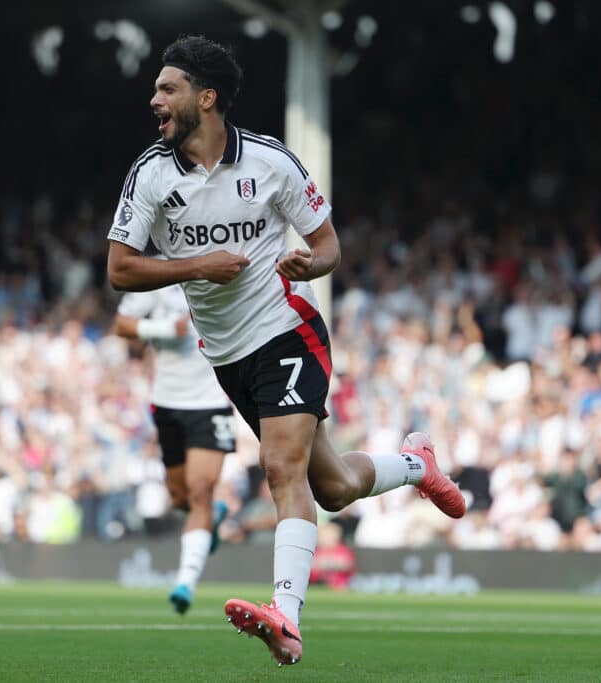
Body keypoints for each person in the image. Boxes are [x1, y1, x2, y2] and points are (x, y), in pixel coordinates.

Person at [106, 36, 465, 666]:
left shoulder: (271, 162)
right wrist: (198, 265)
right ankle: (415, 464)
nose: (154, 99)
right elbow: (120, 271)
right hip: (226, 355)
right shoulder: (150, 174)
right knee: (329, 487)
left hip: (287, 328)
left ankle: (286, 618)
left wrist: (311, 261)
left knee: (280, 467)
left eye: (168, 88)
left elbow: (328, 246)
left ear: (206, 98)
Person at [113, 279, 235, 614]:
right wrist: (167, 327)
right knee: (181, 498)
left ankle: (185, 583)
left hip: (211, 401)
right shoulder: (155, 279)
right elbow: (122, 324)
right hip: (167, 403)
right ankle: (211, 518)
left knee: (199, 490)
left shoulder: (220, 272)